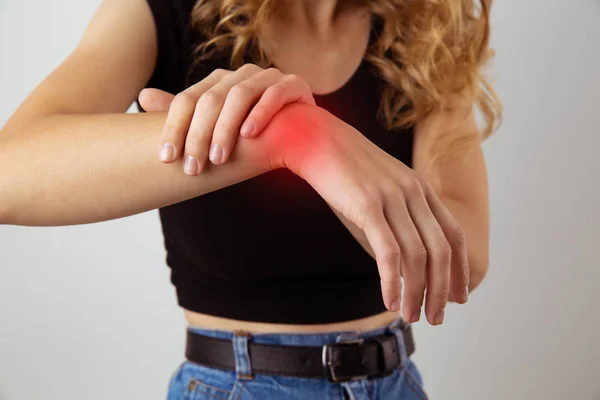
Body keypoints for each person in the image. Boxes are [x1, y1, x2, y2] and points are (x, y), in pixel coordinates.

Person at [0, 0, 501, 398]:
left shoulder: (429, 28)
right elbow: (10, 175)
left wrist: (340, 170)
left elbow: (464, 257)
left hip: (397, 383)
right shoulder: (164, 10)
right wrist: (289, 135)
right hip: (236, 386)